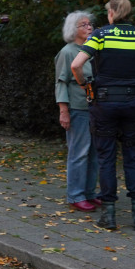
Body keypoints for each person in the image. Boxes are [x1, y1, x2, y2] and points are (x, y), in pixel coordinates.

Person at [71, 0, 135, 231]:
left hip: (104, 103)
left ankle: (109, 215)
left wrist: (86, 86)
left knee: (106, 159)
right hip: (133, 102)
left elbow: (76, 65)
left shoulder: (101, 35)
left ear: (112, 13)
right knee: (133, 156)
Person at [56, 11, 97, 211]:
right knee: (79, 152)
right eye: (84, 25)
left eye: (90, 24)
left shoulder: (93, 50)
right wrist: (64, 111)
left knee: (94, 153)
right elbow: (61, 83)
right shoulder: (68, 52)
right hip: (77, 109)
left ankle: (90, 192)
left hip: (95, 109)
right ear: (74, 29)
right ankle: (75, 195)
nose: (89, 27)